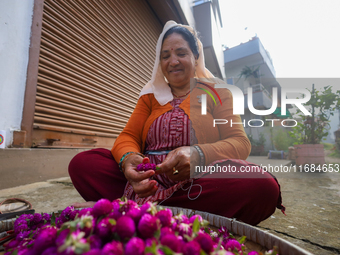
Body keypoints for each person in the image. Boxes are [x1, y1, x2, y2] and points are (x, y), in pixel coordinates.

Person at [69, 21, 284, 226]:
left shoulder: (219, 93)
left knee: (261, 186)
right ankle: (175, 215)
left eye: (181, 53)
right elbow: (128, 136)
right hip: (144, 184)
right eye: (165, 56)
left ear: (196, 56)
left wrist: (198, 154)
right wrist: (129, 162)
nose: (173, 61)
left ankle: (132, 210)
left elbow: (239, 143)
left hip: (197, 184)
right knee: (84, 164)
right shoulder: (150, 96)